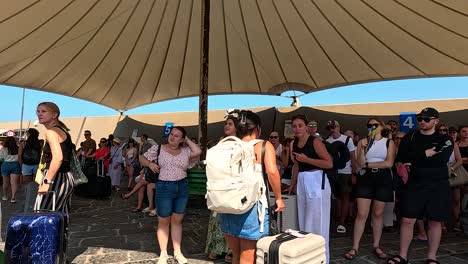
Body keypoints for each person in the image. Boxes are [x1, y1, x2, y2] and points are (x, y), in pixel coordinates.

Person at [389, 108, 453, 264]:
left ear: (436, 120)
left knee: (434, 221)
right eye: (419, 119)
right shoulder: (410, 137)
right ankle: (402, 255)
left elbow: (440, 160)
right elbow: (402, 157)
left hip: (438, 185)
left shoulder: (445, 139)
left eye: (426, 119)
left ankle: (432, 257)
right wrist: (425, 154)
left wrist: (415, 160)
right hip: (414, 184)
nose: (422, 121)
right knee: (407, 220)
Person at [218, 111, 284, 264]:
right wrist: (279, 198)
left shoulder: (229, 145)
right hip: (252, 206)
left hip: (227, 205)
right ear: (258, 129)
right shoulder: (263, 145)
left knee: (236, 254)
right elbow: (273, 172)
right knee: (248, 257)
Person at [140, 126, 201, 264]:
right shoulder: (159, 148)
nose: (172, 137)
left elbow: (198, 151)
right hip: (164, 187)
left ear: (182, 139)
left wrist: (187, 140)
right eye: (171, 134)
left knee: (177, 220)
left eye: (177, 136)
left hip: (182, 186)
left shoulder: (186, 151)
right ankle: (163, 253)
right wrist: (150, 164)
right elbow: (141, 158)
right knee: (163, 221)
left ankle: (177, 252)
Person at [344, 118, 395, 260]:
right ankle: (355, 246)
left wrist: (368, 164)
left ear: (381, 126)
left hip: (382, 178)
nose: (372, 127)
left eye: (375, 125)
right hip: (365, 178)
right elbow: (359, 163)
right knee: (361, 214)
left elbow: (389, 163)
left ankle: (376, 245)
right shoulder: (362, 141)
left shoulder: (388, 142)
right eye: (369, 125)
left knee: (378, 213)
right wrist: (362, 150)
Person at [289, 114, 333, 262]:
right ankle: (308, 257)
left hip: (316, 180)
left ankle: (321, 259)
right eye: (294, 126)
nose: (297, 129)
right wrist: (293, 183)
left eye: (300, 125)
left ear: (306, 126)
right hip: (302, 180)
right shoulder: (293, 143)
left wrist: (307, 160)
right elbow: (296, 165)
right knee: (304, 220)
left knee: (318, 221)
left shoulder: (315, 142)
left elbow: (329, 163)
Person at [205, 116, 238, 263]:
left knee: (233, 217)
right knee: (218, 218)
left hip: (235, 184)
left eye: (230, 124)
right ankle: (216, 248)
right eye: (226, 123)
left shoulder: (242, 143)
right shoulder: (220, 142)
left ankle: (231, 250)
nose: (226, 125)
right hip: (219, 183)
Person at [35, 102, 74, 213]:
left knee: (43, 215)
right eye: (38, 111)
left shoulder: (51, 132)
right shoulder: (62, 130)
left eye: (44, 111)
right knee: (60, 217)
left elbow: (58, 158)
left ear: (54, 115)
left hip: (55, 178)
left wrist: (47, 182)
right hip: (66, 177)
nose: (39, 114)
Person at [326, 120, 356, 234]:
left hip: (346, 171)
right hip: (333, 172)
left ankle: (342, 222)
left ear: (338, 127)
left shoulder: (347, 139)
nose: (332, 130)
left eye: (333, 127)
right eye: (329, 128)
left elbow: (353, 156)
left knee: (345, 196)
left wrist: (354, 173)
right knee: (335, 196)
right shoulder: (327, 141)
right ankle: (337, 219)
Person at [0, 136, 20, 203]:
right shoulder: (17, 148)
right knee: (14, 183)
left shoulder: (3, 149)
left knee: (5, 182)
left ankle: (5, 196)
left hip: (6, 165)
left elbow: (1, 158)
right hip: (15, 164)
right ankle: (13, 197)